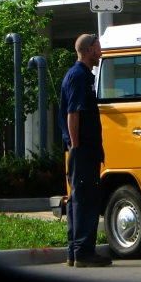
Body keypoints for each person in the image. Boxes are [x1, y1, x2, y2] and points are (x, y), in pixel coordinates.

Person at [58, 33, 112, 268]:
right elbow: (73, 114)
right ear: (90, 49)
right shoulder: (79, 77)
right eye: (99, 46)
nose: (101, 51)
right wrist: (77, 147)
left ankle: (74, 252)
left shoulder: (81, 76)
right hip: (82, 151)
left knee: (78, 199)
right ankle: (83, 252)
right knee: (85, 200)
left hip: (84, 150)